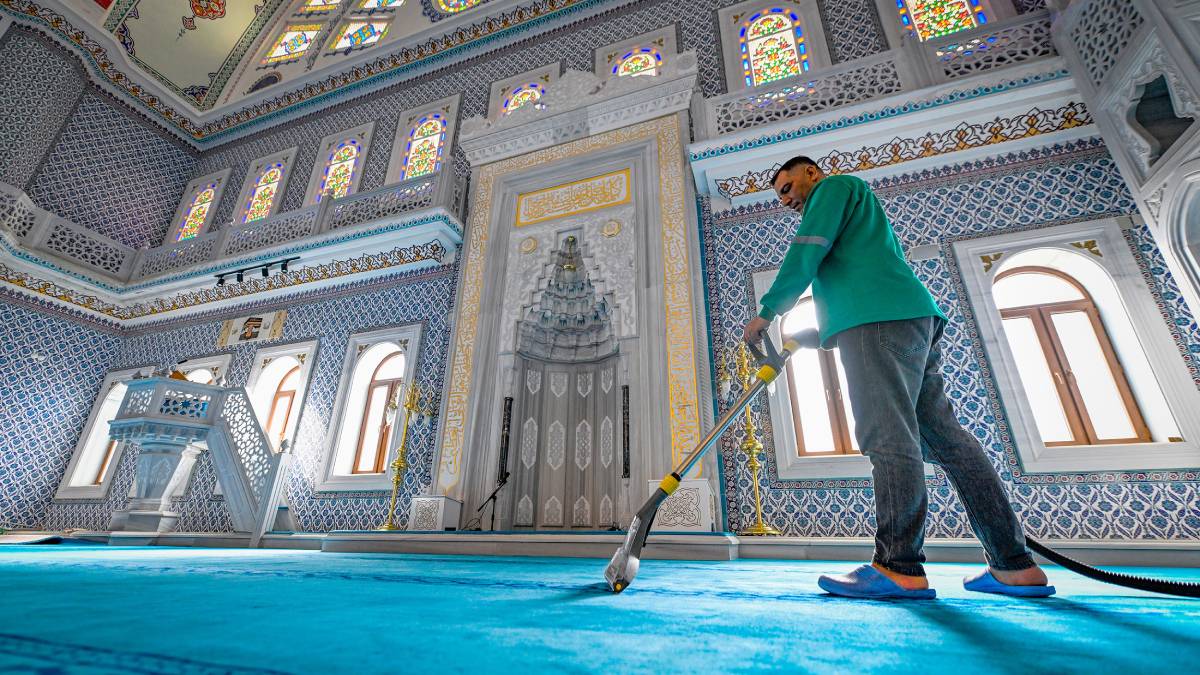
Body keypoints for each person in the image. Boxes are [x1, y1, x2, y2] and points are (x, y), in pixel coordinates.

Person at [742, 156, 1054, 599]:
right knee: (949, 442)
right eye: (781, 196)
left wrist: (767, 311)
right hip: (908, 319)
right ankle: (1014, 564)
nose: (787, 199)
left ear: (811, 173)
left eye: (788, 187)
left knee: (888, 439)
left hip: (878, 323)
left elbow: (806, 251)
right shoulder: (858, 205)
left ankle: (898, 565)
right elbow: (859, 274)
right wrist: (826, 334)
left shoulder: (832, 189)